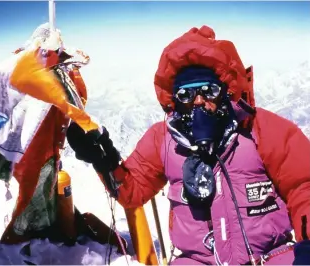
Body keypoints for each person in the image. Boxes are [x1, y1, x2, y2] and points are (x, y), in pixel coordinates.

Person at [66, 25, 310, 265]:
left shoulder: (261, 128)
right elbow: (132, 191)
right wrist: (103, 158)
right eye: (186, 95)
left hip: (269, 258)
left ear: (225, 91)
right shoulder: (162, 139)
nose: (199, 102)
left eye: (209, 90)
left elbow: (304, 186)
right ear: (174, 101)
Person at [0, 22, 91, 243]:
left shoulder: (49, 76)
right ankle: (30, 233)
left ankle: (32, 232)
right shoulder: (19, 74)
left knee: (43, 184)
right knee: (40, 183)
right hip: (26, 152)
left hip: (37, 153)